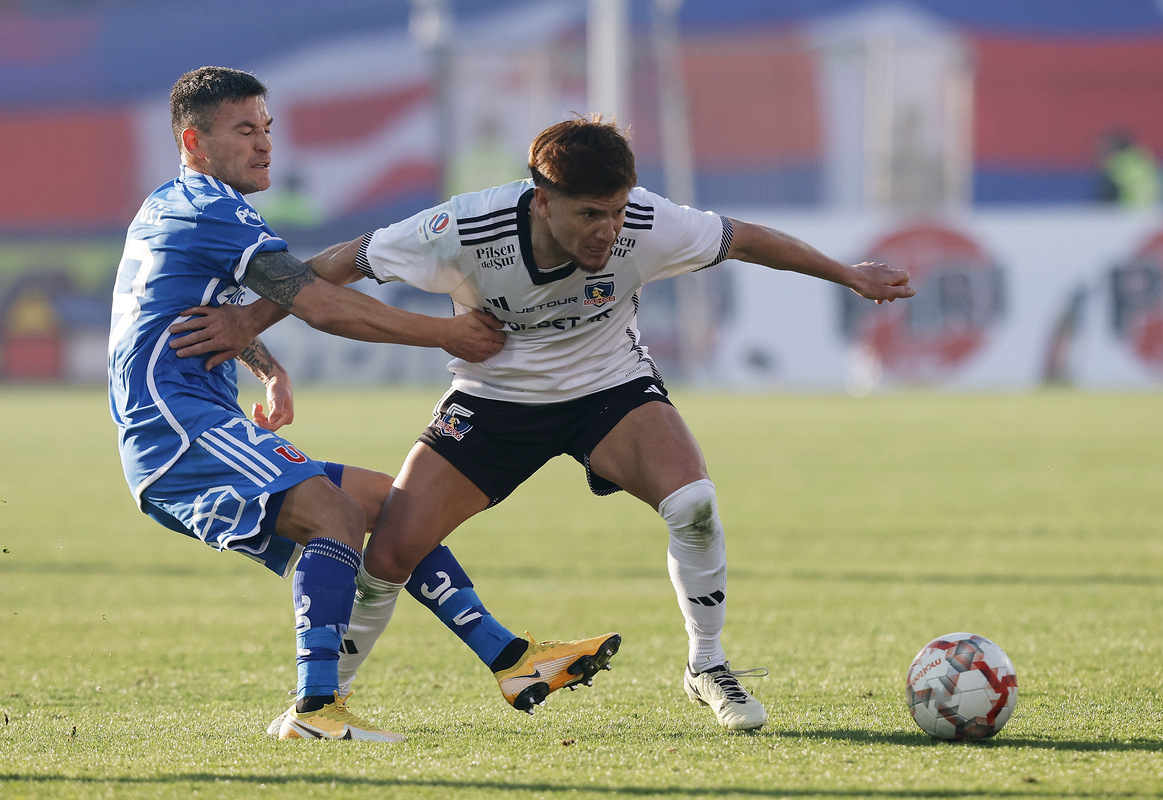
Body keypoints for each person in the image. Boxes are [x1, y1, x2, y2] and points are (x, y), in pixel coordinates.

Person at [181, 115, 914, 732]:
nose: (609, 230)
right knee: (396, 548)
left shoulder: (649, 223)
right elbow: (340, 264)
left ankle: (708, 665)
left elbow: (747, 238)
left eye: (618, 210)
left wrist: (850, 274)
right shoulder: (462, 229)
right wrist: (251, 319)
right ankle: (322, 707)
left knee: (693, 504)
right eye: (590, 215)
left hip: (609, 389)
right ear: (541, 202)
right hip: (493, 402)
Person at [109, 67, 619, 744]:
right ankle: (317, 709)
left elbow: (189, 313)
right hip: (178, 431)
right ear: (194, 140)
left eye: (267, 128)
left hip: (190, 425)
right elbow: (317, 304)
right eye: (244, 130)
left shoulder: (174, 202)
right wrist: (444, 332)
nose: (264, 145)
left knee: (391, 506)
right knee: (337, 517)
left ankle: (513, 661)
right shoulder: (214, 209)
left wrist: (264, 363)